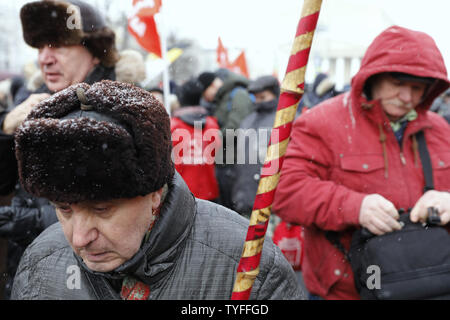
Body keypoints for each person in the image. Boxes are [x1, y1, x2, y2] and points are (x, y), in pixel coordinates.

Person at [11, 80, 304, 300]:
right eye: (64, 209)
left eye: (101, 210)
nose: (79, 238)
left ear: (154, 195)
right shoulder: (41, 264)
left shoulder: (250, 265)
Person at [272, 25, 450, 300]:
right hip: (346, 291)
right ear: (373, 76)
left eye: (418, 88)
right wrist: (354, 207)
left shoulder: (441, 130)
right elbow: (282, 190)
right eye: (399, 83)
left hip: (432, 284)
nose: (407, 97)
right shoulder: (321, 123)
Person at [0, 0, 145, 299]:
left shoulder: (125, 110)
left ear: (94, 51)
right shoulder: (31, 102)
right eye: (40, 47)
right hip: (29, 271)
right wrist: (5, 133)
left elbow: (126, 214)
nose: (45, 59)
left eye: (57, 45)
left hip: (96, 279)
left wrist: (25, 222)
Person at [197, 71, 254, 209]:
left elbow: (235, 127)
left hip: (235, 162)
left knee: (235, 209)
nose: (207, 98)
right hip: (226, 161)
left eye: (205, 93)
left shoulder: (238, 95)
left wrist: (211, 140)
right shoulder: (225, 98)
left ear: (212, 86)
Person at [171, 78, 221, 201]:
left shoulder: (173, 126)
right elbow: (219, 157)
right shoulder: (212, 124)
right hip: (209, 192)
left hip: (181, 193)